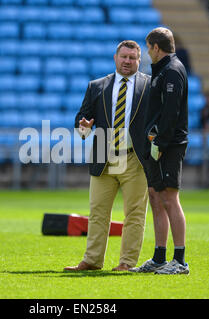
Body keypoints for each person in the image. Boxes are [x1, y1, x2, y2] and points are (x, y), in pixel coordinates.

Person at [64, 40, 151, 272]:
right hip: (104, 156)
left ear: (138, 61)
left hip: (135, 159)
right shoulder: (96, 86)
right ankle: (92, 261)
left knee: (135, 214)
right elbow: (81, 121)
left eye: (132, 58)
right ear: (115, 58)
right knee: (98, 212)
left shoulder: (150, 85)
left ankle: (126, 263)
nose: (127, 61)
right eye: (123, 57)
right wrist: (83, 127)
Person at [130, 27, 189, 275]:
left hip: (168, 145)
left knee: (169, 198)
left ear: (155, 47)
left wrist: (161, 144)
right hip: (156, 144)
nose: (147, 53)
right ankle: (159, 257)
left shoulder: (172, 71)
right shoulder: (161, 71)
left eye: (148, 48)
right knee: (155, 197)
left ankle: (180, 260)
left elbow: (171, 113)